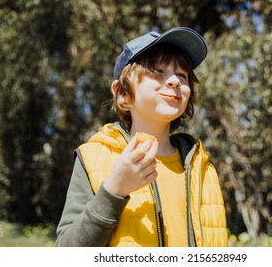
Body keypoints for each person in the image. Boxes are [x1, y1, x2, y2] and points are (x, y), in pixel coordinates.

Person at [55, 27, 228, 247]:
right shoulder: (92, 158)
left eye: (182, 75)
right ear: (123, 94)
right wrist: (114, 191)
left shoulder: (203, 169)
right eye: (157, 71)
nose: (175, 80)